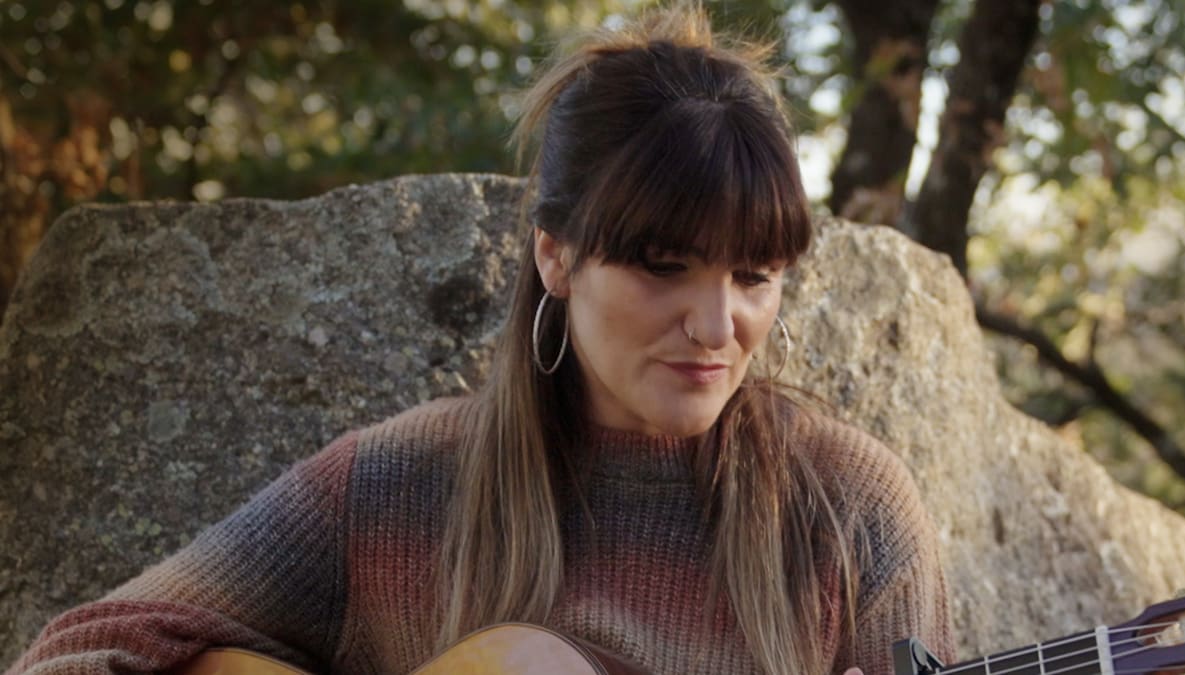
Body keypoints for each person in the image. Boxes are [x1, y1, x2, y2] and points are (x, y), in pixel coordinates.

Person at [5, 3, 955, 674]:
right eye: (663, 266)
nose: (716, 327)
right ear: (556, 255)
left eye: (754, 276)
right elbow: (77, 653)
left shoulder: (851, 515)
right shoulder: (395, 485)